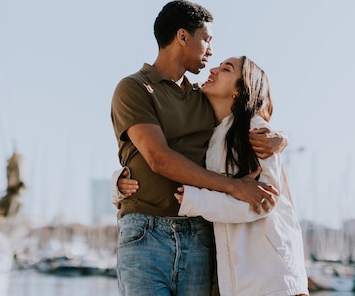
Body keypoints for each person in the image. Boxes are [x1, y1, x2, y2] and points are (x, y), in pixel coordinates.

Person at [111, 0, 286, 296]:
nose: (211, 51)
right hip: (145, 234)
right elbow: (158, 158)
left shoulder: (203, 97)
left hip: (200, 236)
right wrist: (233, 187)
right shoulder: (134, 88)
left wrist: (280, 137)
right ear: (182, 37)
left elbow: (247, 111)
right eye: (206, 40)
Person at [121, 56, 309, 296]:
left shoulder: (255, 131)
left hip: (271, 280)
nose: (213, 69)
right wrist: (120, 181)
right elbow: (169, 154)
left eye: (226, 69)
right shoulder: (212, 133)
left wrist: (196, 201)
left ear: (240, 90)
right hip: (240, 282)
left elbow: (263, 202)